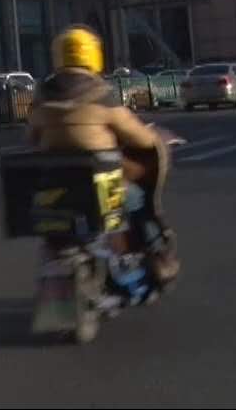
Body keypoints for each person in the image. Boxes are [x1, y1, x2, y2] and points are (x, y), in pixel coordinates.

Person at [25, 25, 179, 286]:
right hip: (100, 186)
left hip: (53, 189)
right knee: (137, 199)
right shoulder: (100, 94)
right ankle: (158, 256)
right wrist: (156, 138)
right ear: (93, 55)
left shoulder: (41, 97)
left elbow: (31, 137)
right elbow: (140, 137)